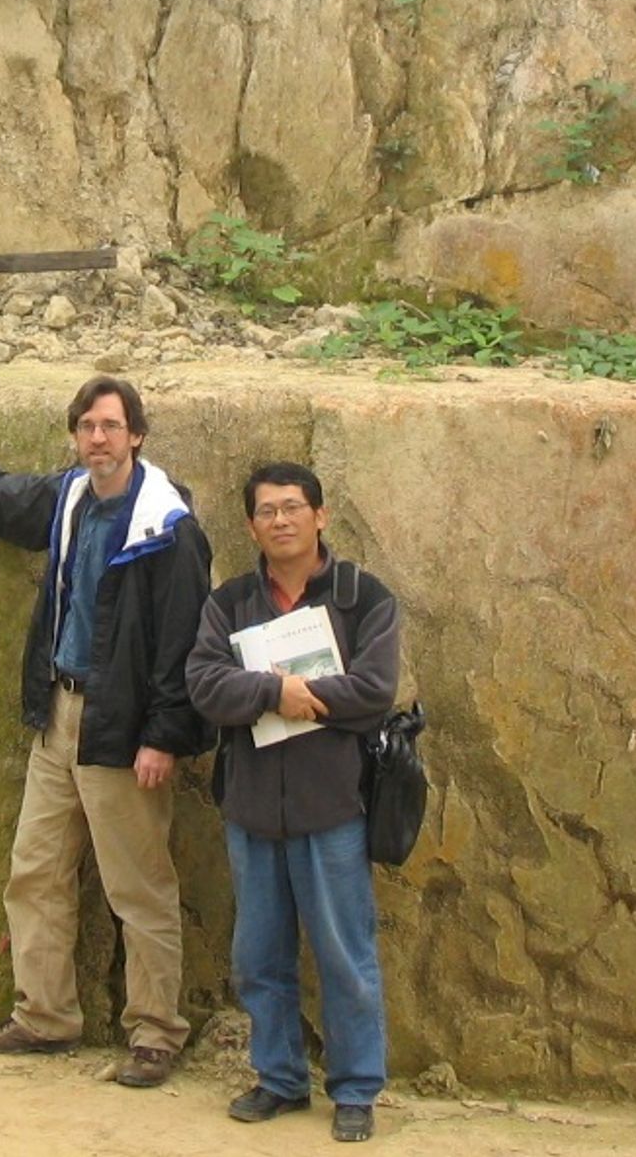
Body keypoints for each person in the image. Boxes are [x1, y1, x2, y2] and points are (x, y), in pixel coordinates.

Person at [0, 375, 212, 1089]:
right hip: (59, 713)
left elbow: (185, 642)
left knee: (139, 885)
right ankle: (45, 1015)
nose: (98, 438)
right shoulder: (71, 501)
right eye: (86, 426)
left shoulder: (168, 529)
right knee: (35, 871)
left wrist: (164, 736)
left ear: (137, 435)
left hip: (122, 729)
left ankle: (155, 1032)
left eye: (111, 426)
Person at [186, 461, 399, 1143]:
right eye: (267, 511)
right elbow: (205, 685)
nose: (281, 520)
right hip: (251, 807)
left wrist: (305, 696)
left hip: (331, 805)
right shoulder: (230, 600)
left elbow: (374, 690)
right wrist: (271, 694)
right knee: (259, 956)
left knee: (345, 954)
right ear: (250, 525)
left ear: (320, 515)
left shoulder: (363, 596)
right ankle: (278, 1079)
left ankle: (357, 1089)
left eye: (292, 507)